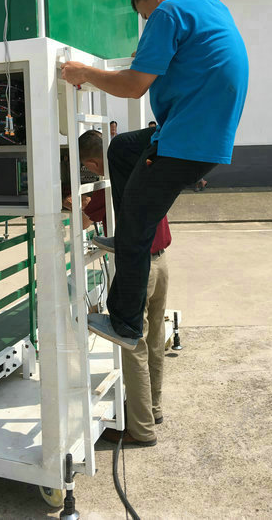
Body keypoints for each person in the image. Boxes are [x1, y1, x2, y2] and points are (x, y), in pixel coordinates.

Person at [61, 0, 248, 351]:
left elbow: (133, 87)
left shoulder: (168, 12)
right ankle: (127, 234)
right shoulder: (209, 7)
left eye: (143, 16)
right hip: (202, 135)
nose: (148, 22)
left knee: (136, 223)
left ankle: (126, 324)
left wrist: (84, 72)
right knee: (123, 148)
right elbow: (194, 62)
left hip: (185, 141)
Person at [79, 129, 171, 446]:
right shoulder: (144, 168)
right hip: (162, 263)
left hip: (140, 270)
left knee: (132, 346)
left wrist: (69, 204)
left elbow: (82, 221)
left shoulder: (110, 187)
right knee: (154, 338)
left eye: (88, 168)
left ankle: (141, 429)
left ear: (92, 164)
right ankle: (153, 410)